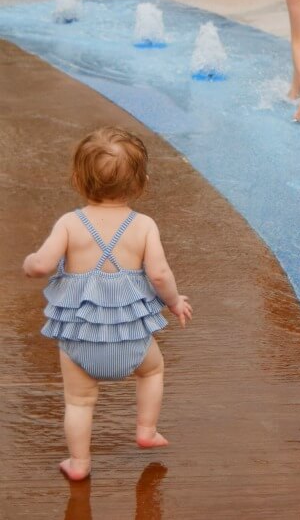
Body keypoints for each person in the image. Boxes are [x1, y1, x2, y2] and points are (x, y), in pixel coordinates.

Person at [22, 127, 192, 479]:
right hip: (133, 339)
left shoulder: (70, 223)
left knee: (79, 401)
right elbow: (159, 274)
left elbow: (40, 265)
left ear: (77, 179)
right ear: (141, 182)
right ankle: (146, 429)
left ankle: (79, 464)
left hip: (80, 340)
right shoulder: (144, 225)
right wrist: (174, 302)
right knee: (153, 371)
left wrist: (30, 262)